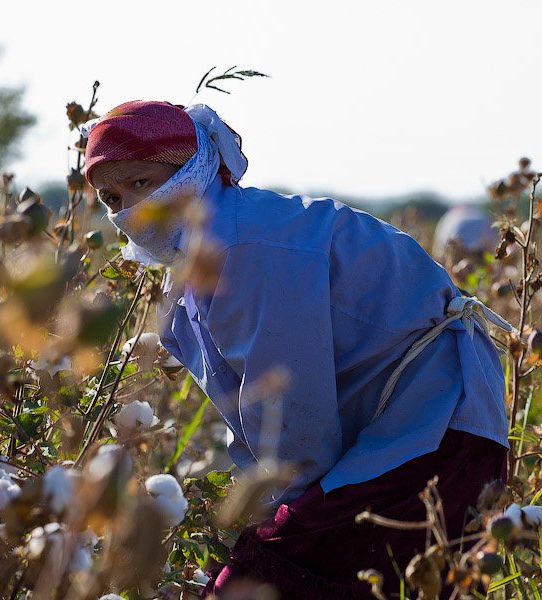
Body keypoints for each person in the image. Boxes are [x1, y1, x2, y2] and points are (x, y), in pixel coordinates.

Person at [84, 100, 511, 600]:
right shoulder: (209, 256)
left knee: (258, 580)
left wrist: (272, 525)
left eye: (142, 183)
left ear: (194, 168)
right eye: (112, 197)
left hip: (435, 433)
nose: (129, 211)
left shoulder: (247, 251)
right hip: (407, 434)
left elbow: (293, 423)